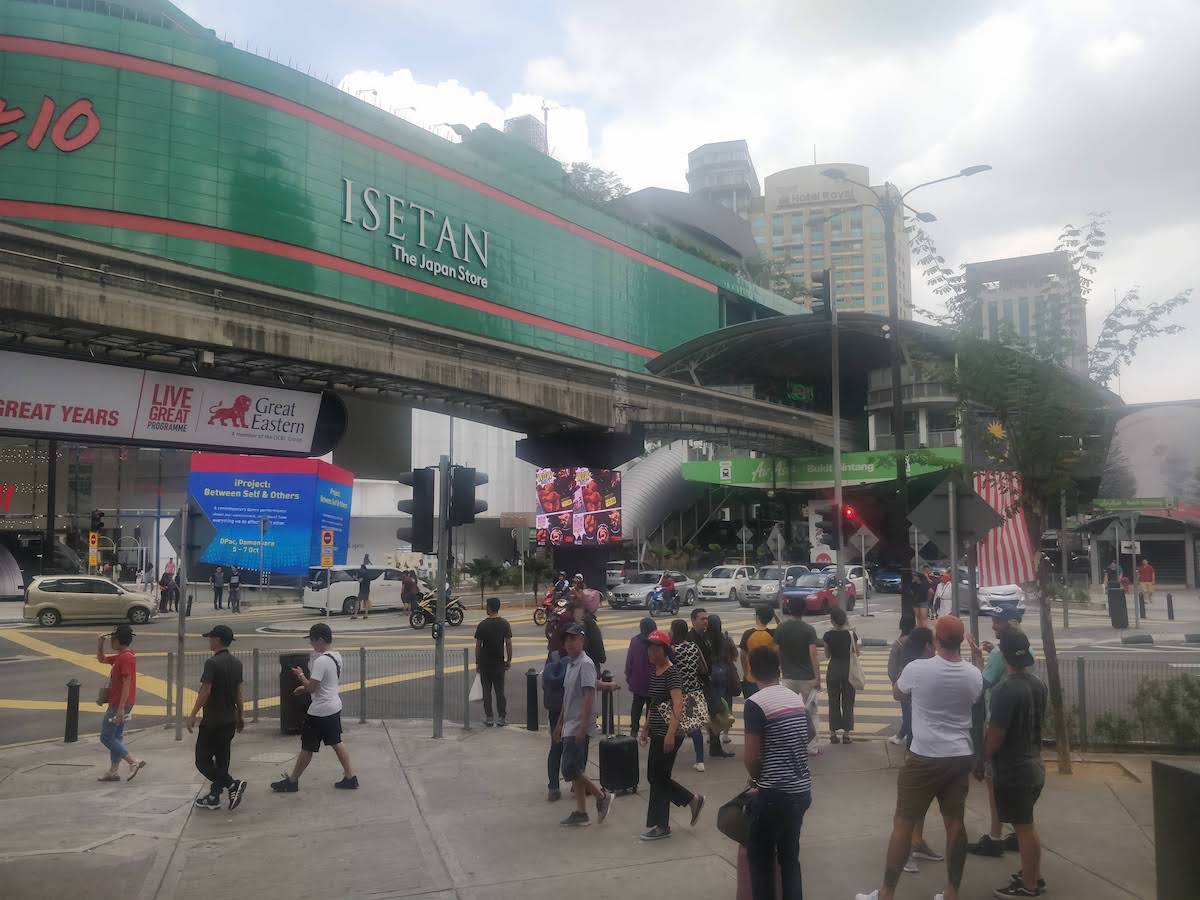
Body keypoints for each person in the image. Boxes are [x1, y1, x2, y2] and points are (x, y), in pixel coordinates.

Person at [855, 616, 984, 900]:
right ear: (961, 641)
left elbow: (898, 694)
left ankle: (887, 893)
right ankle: (952, 892)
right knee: (955, 824)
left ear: (936, 640)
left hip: (924, 757)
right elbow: (976, 696)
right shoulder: (973, 675)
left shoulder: (918, 669)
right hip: (959, 756)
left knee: (903, 823)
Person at [743, 645, 814, 900]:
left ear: (751, 672)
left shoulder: (755, 703)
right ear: (779, 670)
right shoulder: (793, 697)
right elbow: (811, 733)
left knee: (760, 857)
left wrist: (756, 779)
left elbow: (751, 757)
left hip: (774, 795)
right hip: (801, 791)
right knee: (789, 858)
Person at [985, 631, 1048, 898]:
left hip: (1015, 770)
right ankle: (1030, 873)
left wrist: (983, 758)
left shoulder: (1004, 690)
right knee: (1026, 826)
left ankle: (1030, 885)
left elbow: (996, 734)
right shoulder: (1038, 685)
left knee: (1024, 828)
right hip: (1035, 763)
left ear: (1006, 656)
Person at [968, 606, 1033, 857]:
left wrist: (977, 657)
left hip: (999, 720)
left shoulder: (999, 656)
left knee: (993, 783)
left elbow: (982, 683)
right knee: (1020, 787)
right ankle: (1017, 833)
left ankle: (995, 837)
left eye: (997, 622)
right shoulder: (1027, 649)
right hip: (1025, 727)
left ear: (1009, 624)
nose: (993, 626)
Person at [271, 622, 358, 792]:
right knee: (336, 742)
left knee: (308, 746)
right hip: (333, 706)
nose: (311, 644)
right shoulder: (336, 656)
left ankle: (293, 781)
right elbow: (321, 685)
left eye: (312, 640)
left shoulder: (321, 661)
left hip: (320, 711)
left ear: (320, 639)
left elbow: (312, 688)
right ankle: (350, 776)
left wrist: (300, 676)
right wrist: (305, 686)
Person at [639, 629, 703, 840]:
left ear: (664, 650)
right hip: (657, 731)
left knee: (657, 777)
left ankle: (662, 825)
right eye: (649, 647)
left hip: (668, 733)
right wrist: (646, 727)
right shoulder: (656, 671)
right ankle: (691, 801)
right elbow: (654, 703)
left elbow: (678, 702)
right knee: (656, 776)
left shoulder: (671, 672)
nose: (649, 651)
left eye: (654, 648)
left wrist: (671, 733)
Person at [555, 623, 611, 826]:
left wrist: (582, 727)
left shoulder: (585, 663)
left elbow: (589, 696)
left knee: (569, 770)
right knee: (576, 768)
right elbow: (568, 697)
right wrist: (560, 723)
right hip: (570, 723)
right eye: (566, 639)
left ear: (582, 641)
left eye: (573, 639)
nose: (569, 643)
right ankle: (581, 812)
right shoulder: (571, 663)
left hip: (579, 725)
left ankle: (601, 797)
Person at [187, 624, 247, 810]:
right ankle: (214, 796)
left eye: (211, 638)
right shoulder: (237, 663)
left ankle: (231, 784)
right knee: (222, 759)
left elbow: (205, 691)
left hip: (213, 721)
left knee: (202, 760)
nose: (209, 641)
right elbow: (238, 692)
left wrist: (193, 714)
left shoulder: (212, 663)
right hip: (229, 720)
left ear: (218, 640)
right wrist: (240, 715)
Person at [94, 624, 146, 782]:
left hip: (120, 703)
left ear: (118, 640)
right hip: (120, 702)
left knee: (106, 737)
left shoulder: (126, 658)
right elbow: (101, 659)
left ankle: (132, 761)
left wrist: (121, 708)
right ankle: (113, 771)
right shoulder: (122, 655)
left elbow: (127, 683)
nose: (111, 642)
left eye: (112, 639)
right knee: (116, 736)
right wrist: (100, 643)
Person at [669, 618, 710, 772]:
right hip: (694, 691)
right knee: (694, 727)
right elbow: (704, 668)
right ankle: (700, 760)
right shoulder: (694, 647)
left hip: (678, 692)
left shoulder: (673, 650)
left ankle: (669, 757)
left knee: (674, 726)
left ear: (674, 631)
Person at [822, 607, 859, 744]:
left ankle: (832, 733)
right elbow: (857, 653)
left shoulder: (827, 635)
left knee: (833, 700)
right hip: (848, 668)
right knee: (848, 700)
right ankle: (847, 734)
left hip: (834, 668)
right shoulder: (851, 634)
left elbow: (827, 655)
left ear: (832, 621)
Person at [474, 596, 513, 727]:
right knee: (500, 691)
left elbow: (478, 645)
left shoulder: (482, 625)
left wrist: (477, 662)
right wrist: (509, 660)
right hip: (499, 663)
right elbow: (508, 643)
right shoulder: (504, 624)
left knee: (487, 691)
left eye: (487, 606)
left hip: (485, 663)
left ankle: (489, 717)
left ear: (490, 608)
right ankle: (502, 717)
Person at [707, 613, 740, 748]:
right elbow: (735, 655)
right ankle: (725, 734)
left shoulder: (705, 639)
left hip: (710, 674)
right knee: (727, 704)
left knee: (712, 705)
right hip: (725, 674)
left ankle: (713, 734)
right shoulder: (726, 638)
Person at [887, 616, 916, 747]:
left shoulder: (898, 643)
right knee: (915, 712)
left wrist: (894, 682)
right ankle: (906, 737)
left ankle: (907, 740)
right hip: (918, 681)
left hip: (902, 683)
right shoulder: (918, 642)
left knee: (907, 712)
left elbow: (892, 667)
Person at [625, 617, 656, 736]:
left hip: (638, 680)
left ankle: (634, 730)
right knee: (651, 707)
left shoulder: (635, 641)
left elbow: (629, 661)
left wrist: (629, 676)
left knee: (636, 706)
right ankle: (649, 730)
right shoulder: (656, 642)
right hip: (653, 680)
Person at [739, 604, 777, 699]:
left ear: (757, 617)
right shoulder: (773, 634)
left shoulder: (748, 634)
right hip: (769, 679)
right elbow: (783, 627)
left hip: (751, 678)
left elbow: (742, 656)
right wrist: (775, 615)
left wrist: (746, 673)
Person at [1103, 561, 1127, 629]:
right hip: (1110, 586)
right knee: (1110, 601)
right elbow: (1106, 578)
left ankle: (1115, 613)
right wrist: (1105, 586)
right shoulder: (1108, 570)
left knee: (1116, 601)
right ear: (1110, 566)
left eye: (1114, 566)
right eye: (1112, 566)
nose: (1113, 567)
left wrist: (1120, 583)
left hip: (1116, 587)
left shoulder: (1118, 570)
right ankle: (1111, 612)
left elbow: (1120, 578)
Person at [354, 556, 372, 620]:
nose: (360, 570)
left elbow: (360, 581)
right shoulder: (368, 574)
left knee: (357, 602)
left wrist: (355, 578)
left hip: (362, 591)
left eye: (361, 568)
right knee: (366, 602)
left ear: (363, 569)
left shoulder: (363, 574)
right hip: (367, 590)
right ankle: (366, 615)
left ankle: (355, 615)